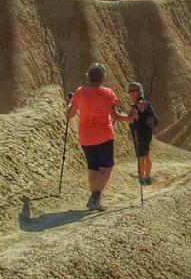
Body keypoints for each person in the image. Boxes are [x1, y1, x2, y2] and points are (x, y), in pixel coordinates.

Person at [66, 62, 131, 211]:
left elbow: (69, 114)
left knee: (93, 168)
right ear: (103, 77)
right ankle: (95, 198)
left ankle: (95, 200)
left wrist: (69, 103)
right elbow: (115, 116)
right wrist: (129, 118)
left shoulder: (80, 92)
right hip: (103, 135)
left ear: (88, 76)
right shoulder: (108, 93)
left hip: (85, 137)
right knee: (107, 167)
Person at [125, 81, 157, 186]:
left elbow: (132, 118)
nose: (131, 93)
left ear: (139, 92)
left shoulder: (139, 104)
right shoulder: (144, 102)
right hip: (145, 133)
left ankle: (142, 179)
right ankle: (147, 178)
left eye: (134, 91)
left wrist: (124, 115)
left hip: (140, 134)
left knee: (141, 157)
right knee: (146, 156)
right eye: (130, 91)